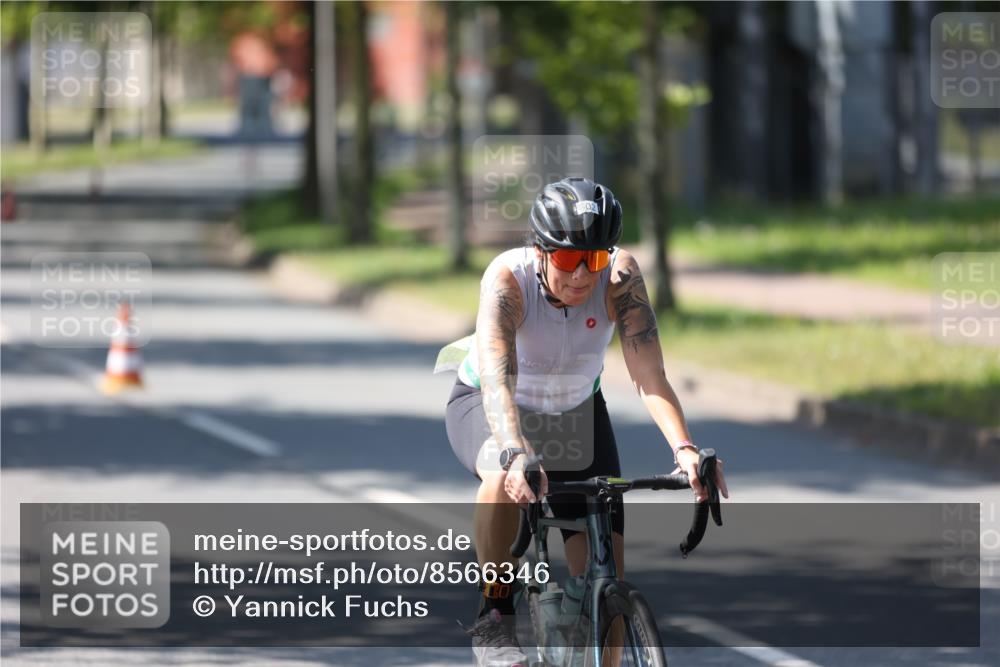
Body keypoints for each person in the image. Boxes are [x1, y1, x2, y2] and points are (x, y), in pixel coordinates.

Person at [444, 177, 729, 667]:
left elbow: (649, 374)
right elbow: (498, 381)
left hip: (576, 412)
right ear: (539, 251)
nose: (582, 275)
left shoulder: (619, 278)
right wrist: (514, 452)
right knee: (497, 476)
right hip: (493, 404)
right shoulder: (508, 280)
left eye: (594, 259)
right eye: (568, 260)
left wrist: (684, 448)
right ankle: (494, 614)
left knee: (606, 580)